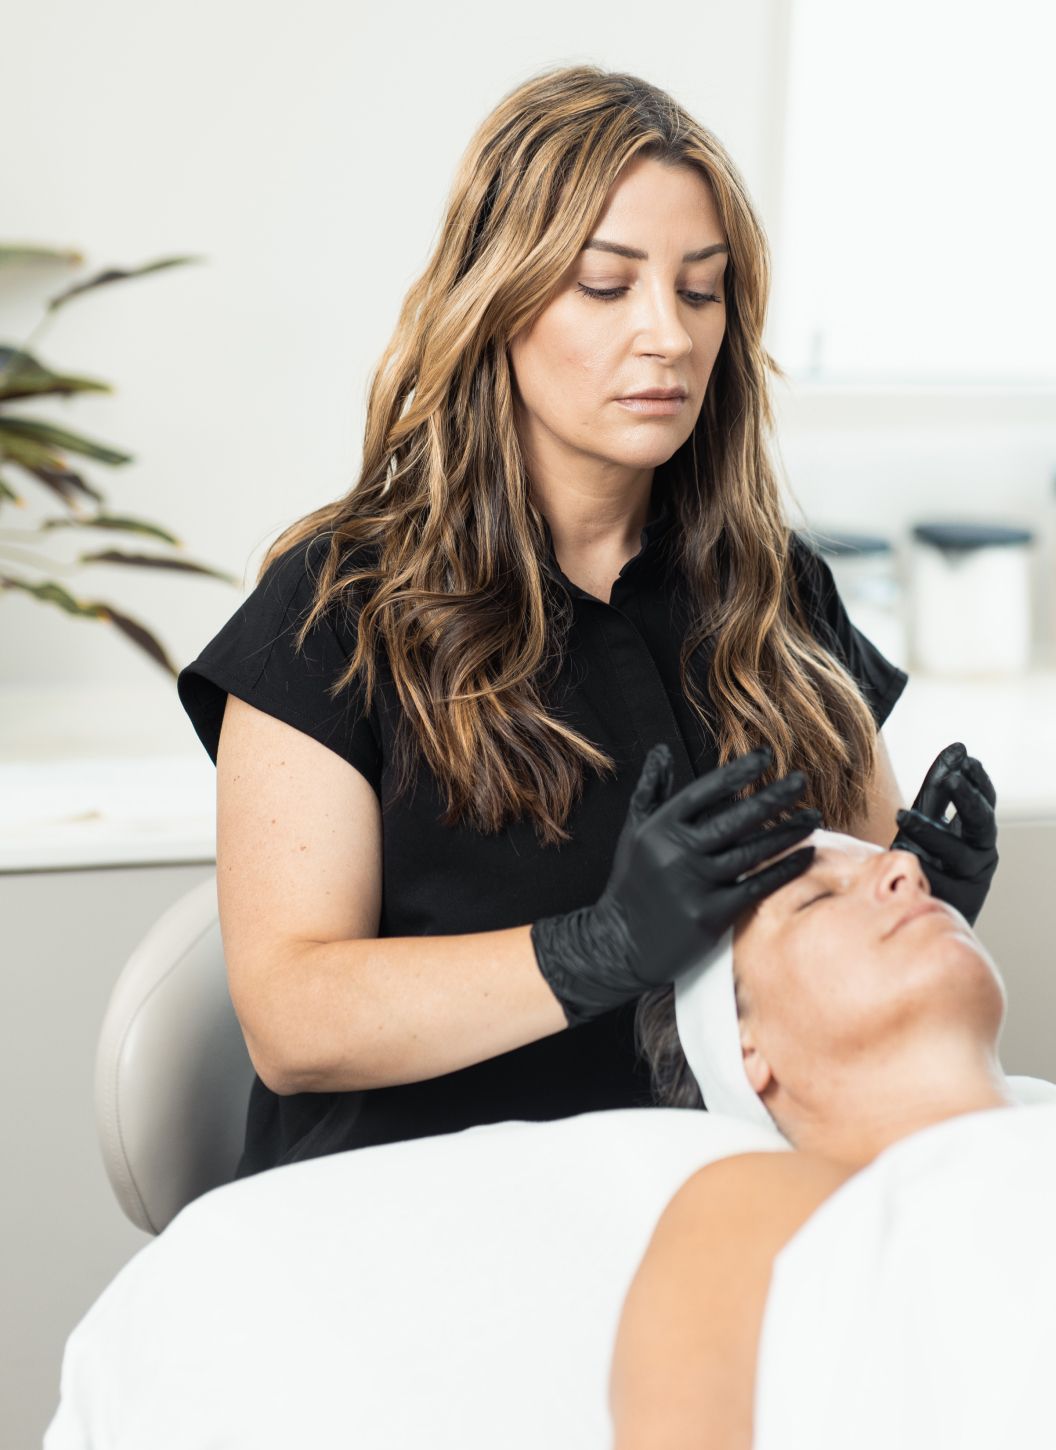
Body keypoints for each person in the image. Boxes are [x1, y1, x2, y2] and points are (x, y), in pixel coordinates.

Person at [177, 62, 995, 1181]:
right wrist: (600, 948)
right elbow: (291, 1023)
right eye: (606, 287)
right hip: (409, 1212)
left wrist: (924, 903)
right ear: (499, 300)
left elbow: (834, 928)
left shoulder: (777, 595)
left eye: (700, 292)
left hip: (716, 1201)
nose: (667, 335)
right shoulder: (337, 609)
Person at [609, 825, 1016, 1448]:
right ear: (745, 1047)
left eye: (892, 865)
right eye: (819, 897)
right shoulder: (750, 1201)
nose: (907, 873)